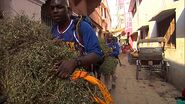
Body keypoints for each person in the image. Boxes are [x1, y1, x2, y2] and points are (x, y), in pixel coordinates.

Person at [50, 0, 104, 79]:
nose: (55, 11)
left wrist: (75, 62)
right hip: (61, 77)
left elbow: (97, 54)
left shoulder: (82, 27)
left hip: (82, 78)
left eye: (59, 7)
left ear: (69, 11)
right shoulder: (53, 30)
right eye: (52, 8)